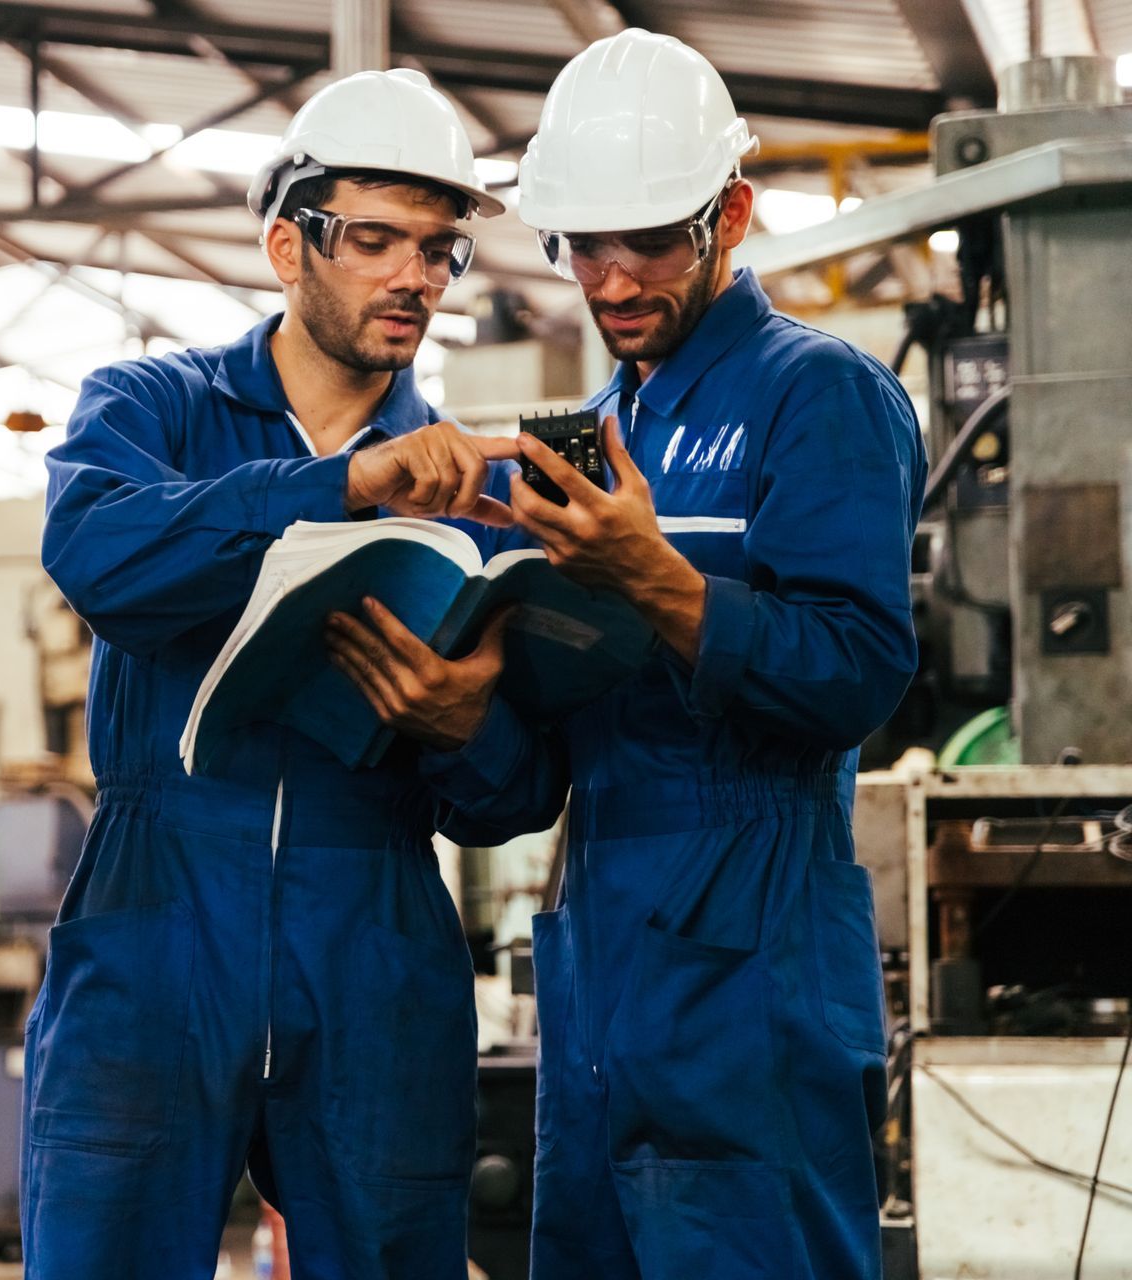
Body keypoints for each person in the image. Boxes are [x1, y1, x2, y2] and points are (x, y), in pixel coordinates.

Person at [335, 28, 924, 1279]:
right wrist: (460, 709)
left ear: (734, 214)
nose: (609, 279)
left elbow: (861, 671)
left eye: (647, 239)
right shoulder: (595, 431)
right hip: (601, 960)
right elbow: (537, 773)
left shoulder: (818, 395)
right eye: (581, 244)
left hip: (753, 965)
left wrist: (649, 573)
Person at [27, 67, 567, 1280]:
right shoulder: (152, 409)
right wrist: (344, 487)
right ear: (288, 243)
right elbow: (103, 558)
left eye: (437, 251)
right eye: (376, 239)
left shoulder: (475, 500)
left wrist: (465, 721)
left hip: (371, 930)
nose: (413, 277)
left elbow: (509, 800)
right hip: (155, 916)